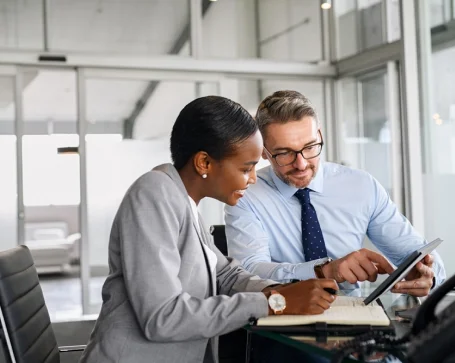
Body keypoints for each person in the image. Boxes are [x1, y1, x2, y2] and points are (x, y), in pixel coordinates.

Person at [79, 96, 339, 363]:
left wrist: (280, 291)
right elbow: (162, 317)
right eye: (246, 168)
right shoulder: (154, 194)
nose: (252, 178)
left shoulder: (184, 201)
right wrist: (274, 303)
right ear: (204, 163)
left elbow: (225, 273)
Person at [225, 90, 445, 297]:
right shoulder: (246, 195)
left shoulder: (361, 186)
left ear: (319, 135)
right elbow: (248, 274)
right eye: (284, 153)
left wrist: (428, 275)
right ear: (263, 151)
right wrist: (323, 271)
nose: (301, 164)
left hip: (358, 320)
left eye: (310, 147)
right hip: (281, 322)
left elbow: (419, 253)